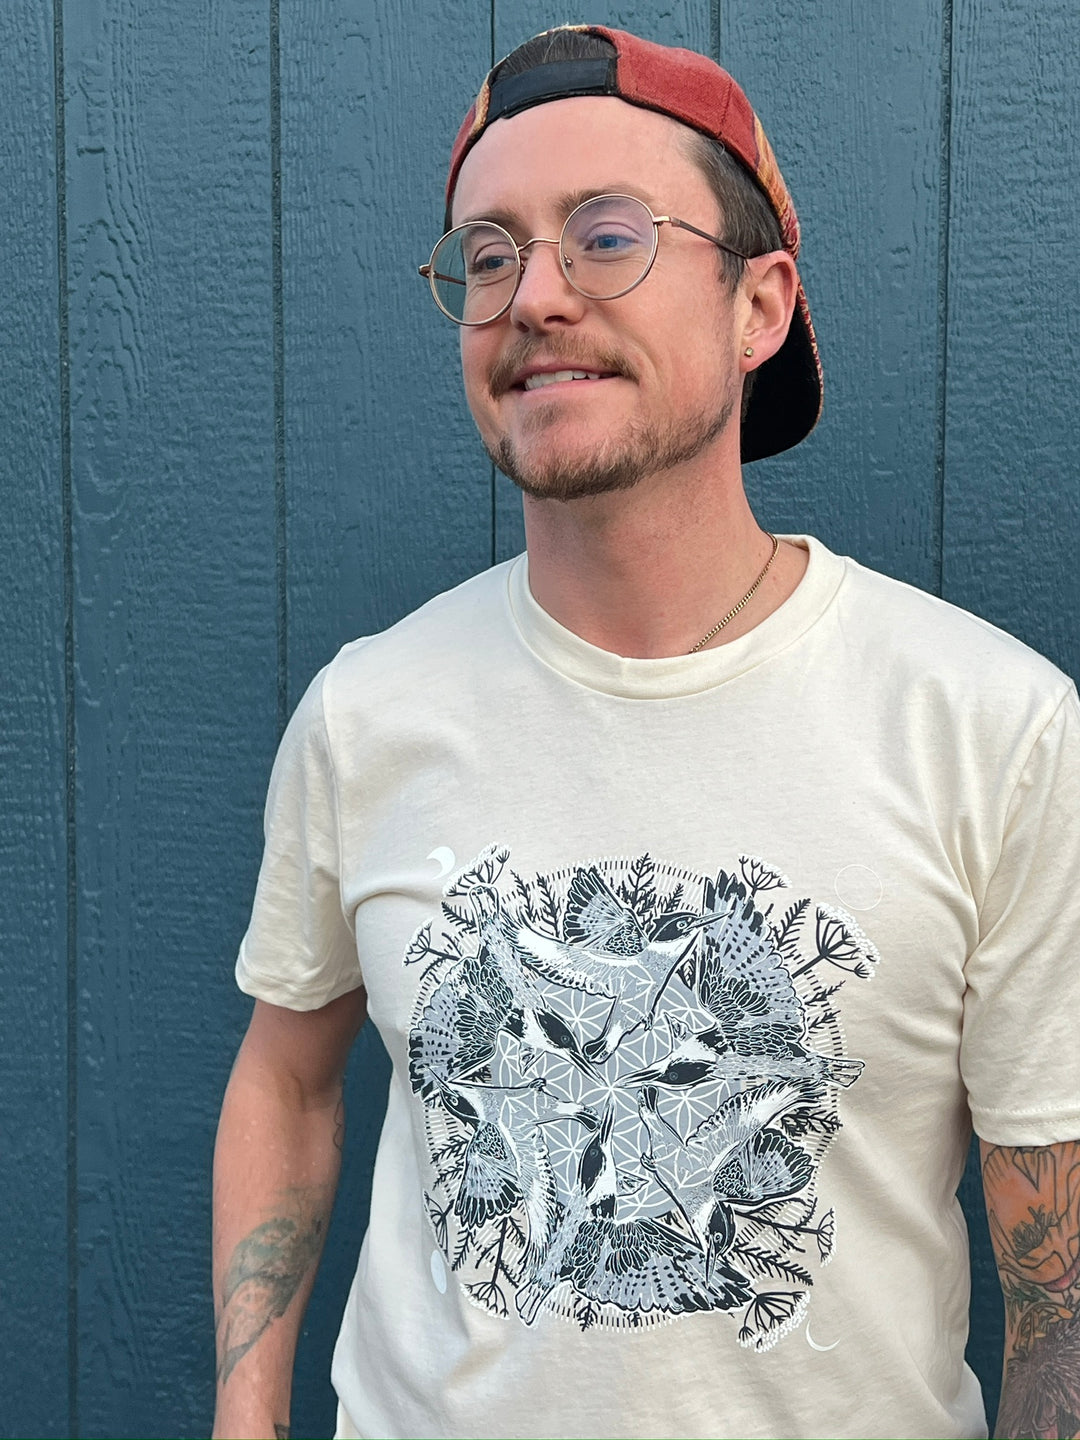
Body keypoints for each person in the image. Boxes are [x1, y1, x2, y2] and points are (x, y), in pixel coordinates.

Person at [211, 25, 1080, 1440]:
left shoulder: (993, 729)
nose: (534, 295)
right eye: (487, 255)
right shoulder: (369, 710)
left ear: (761, 306)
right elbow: (286, 1077)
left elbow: (1058, 1276)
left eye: (606, 236)